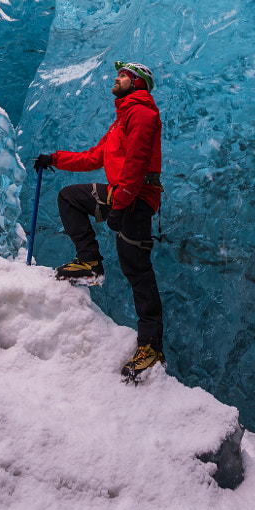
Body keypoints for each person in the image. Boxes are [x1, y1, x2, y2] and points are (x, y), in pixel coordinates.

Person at [34, 61, 165, 382]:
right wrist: (55, 158)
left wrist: (120, 205)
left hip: (136, 198)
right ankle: (89, 263)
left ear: (136, 83)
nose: (115, 78)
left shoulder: (143, 115)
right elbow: (94, 157)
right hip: (121, 194)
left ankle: (151, 348)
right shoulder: (121, 121)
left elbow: (136, 165)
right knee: (69, 197)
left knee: (137, 271)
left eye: (122, 75)